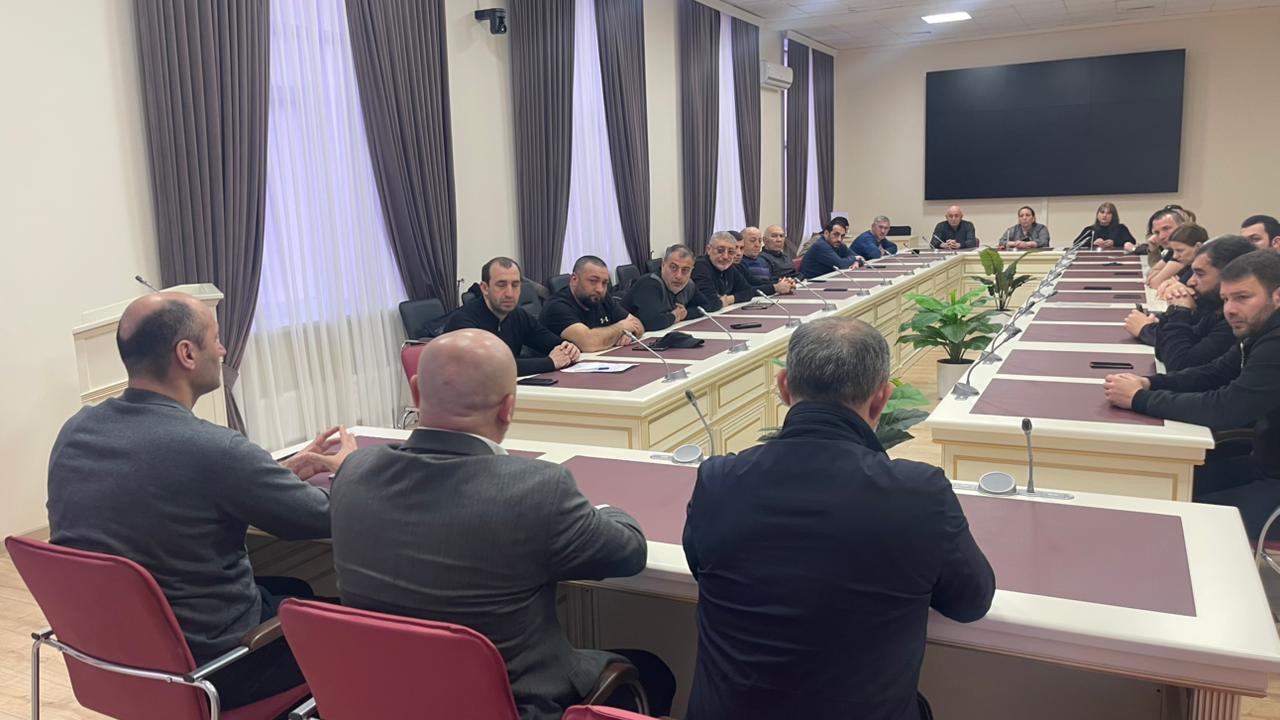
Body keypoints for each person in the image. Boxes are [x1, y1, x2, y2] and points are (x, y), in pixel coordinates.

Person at [331, 329, 674, 720]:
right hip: (516, 704)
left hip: (386, 701)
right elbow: (629, 552)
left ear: (415, 391)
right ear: (509, 406)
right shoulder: (537, 490)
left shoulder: (353, 472)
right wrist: (607, 509)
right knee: (653, 672)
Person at [47, 292, 356, 709]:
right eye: (216, 338)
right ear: (187, 354)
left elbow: (166, 495)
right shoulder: (215, 450)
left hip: (111, 659)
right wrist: (350, 468)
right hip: (217, 668)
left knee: (292, 587)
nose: (223, 350)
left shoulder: (75, 433)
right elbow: (328, 517)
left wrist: (272, 477)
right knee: (357, 628)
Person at [683, 316, 995, 720]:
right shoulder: (918, 493)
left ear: (783, 386)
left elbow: (701, 567)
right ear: (881, 399)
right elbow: (972, 602)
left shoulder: (717, 480)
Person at [1104, 251, 1280, 539]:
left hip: (1273, 486)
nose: (1230, 309)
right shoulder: (1260, 330)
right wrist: (1149, 383)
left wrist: (1138, 399)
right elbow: (1213, 372)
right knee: (1158, 485)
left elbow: (1226, 408)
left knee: (1167, 516)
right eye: (1226, 299)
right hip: (1262, 464)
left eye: (1242, 298)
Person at [1126, 235, 1254, 371]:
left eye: (1200, 274)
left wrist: (1179, 310)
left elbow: (1178, 364)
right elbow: (1165, 349)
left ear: (1231, 275)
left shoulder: (1235, 319)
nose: (1190, 281)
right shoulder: (1213, 307)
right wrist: (1172, 313)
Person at [445, 257, 580, 375]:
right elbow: (489, 367)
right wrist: (550, 362)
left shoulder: (518, 315)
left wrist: (568, 348)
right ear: (485, 288)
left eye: (515, 285)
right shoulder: (463, 322)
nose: (509, 293)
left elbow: (549, 341)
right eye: (501, 285)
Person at [539, 255, 644, 352]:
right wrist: (621, 328)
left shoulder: (601, 298)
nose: (600, 289)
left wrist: (630, 334)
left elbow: (637, 324)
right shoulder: (557, 306)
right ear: (574, 279)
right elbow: (589, 343)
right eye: (593, 281)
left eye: (604, 283)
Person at [623, 244, 721, 330]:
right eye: (673, 267)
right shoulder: (649, 283)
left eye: (685, 270)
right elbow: (652, 322)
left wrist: (685, 314)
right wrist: (675, 316)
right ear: (663, 265)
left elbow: (705, 306)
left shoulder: (689, 285)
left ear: (692, 270)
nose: (679, 276)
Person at [694, 232, 768, 309]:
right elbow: (709, 303)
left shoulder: (729, 267)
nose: (725, 257)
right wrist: (720, 302)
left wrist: (729, 299)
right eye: (720, 251)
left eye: (731, 252)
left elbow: (748, 292)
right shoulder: (700, 266)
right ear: (709, 250)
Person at [737, 228, 797, 296]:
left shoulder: (763, 260)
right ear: (742, 242)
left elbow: (764, 282)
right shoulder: (739, 263)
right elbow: (746, 289)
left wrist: (784, 283)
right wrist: (775, 287)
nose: (757, 245)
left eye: (759, 241)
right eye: (752, 241)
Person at [1144, 208, 1190, 288]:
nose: (1161, 236)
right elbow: (1150, 273)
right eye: (1157, 232)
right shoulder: (1172, 250)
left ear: (1182, 227)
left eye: (1166, 228)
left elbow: (1154, 283)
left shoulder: (1185, 249)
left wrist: (1160, 274)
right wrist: (1153, 249)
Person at [1071, 201, 1136, 250]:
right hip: (1094, 259)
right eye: (1102, 212)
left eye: (1108, 213)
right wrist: (1093, 242)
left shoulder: (1121, 228)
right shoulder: (1089, 230)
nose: (1104, 215)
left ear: (1113, 216)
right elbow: (1076, 243)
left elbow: (1132, 241)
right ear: (1097, 214)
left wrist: (1114, 242)